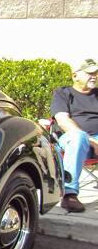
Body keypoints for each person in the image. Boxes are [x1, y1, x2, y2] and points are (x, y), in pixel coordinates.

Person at [50, 58, 98, 213]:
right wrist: (90, 140)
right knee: (78, 137)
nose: (94, 76)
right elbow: (63, 121)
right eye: (89, 73)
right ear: (75, 76)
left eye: (95, 73)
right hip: (73, 141)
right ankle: (69, 195)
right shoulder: (63, 93)